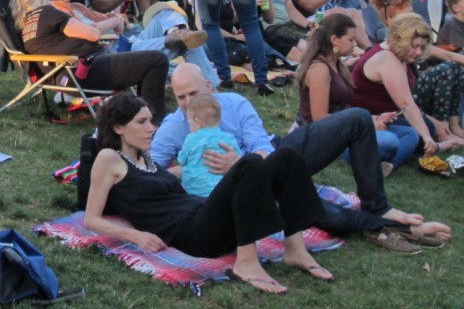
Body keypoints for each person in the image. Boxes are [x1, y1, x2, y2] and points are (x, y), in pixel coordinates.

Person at [153, 63, 451, 252]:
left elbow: (262, 145)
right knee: (306, 203)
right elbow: (150, 168)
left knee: (357, 118)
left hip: (276, 154)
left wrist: (242, 163)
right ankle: (386, 227)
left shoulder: (235, 102)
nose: (188, 103)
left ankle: (378, 205)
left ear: (209, 85)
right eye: (181, 97)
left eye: (193, 93)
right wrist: (188, 170)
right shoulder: (174, 125)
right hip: (247, 188)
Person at [84, 93, 329, 294]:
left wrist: (208, 163)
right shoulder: (109, 158)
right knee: (249, 164)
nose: (152, 128)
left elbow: (170, 177)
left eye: (151, 121)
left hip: (205, 212)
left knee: (286, 157)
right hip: (193, 233)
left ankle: (295, 249)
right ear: (118, 127)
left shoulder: (144, 158)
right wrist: (136, 236)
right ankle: (246, 262)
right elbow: (91, 219)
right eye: (142, 122)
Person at [10, 0, 169, 123]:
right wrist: (114, 21)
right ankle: (152, 123)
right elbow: (92, 34)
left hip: (69, 75)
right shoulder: (46, 13)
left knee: (148, 60)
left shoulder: (25, 24)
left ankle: (139, 117)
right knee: (157, 60)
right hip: (84, 72)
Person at [296, 14, 417, 175]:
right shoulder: (320, 69)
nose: (355, 44)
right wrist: (364, 124)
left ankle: (389, 165)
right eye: (351, 39)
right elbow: (319, 119)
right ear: (334, 39)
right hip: (325, 137)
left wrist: (375, 119)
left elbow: (344, 108)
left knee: (410, 134)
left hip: (346, 129)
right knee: (390, 141)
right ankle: (377, 159)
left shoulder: (338, 64)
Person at [350, 13, 464, 154]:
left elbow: (449, 55)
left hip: (395, 112)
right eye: (416, 47)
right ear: (401, 40)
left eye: (422, 48)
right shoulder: (387, 60)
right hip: (376, 118)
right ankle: (438, 138)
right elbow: (406, 104)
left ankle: (449, 127)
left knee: (455, 67)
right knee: (421, 132)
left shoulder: (401, 53)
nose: (418, 52)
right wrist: (426, 135)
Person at [176, 94, 240, 197]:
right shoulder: (229, 139)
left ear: (197, 122)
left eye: (190, 123)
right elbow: (237, 160)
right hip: (223, 191)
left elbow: (182, 160)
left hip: (194, 191)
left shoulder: (191, 139)